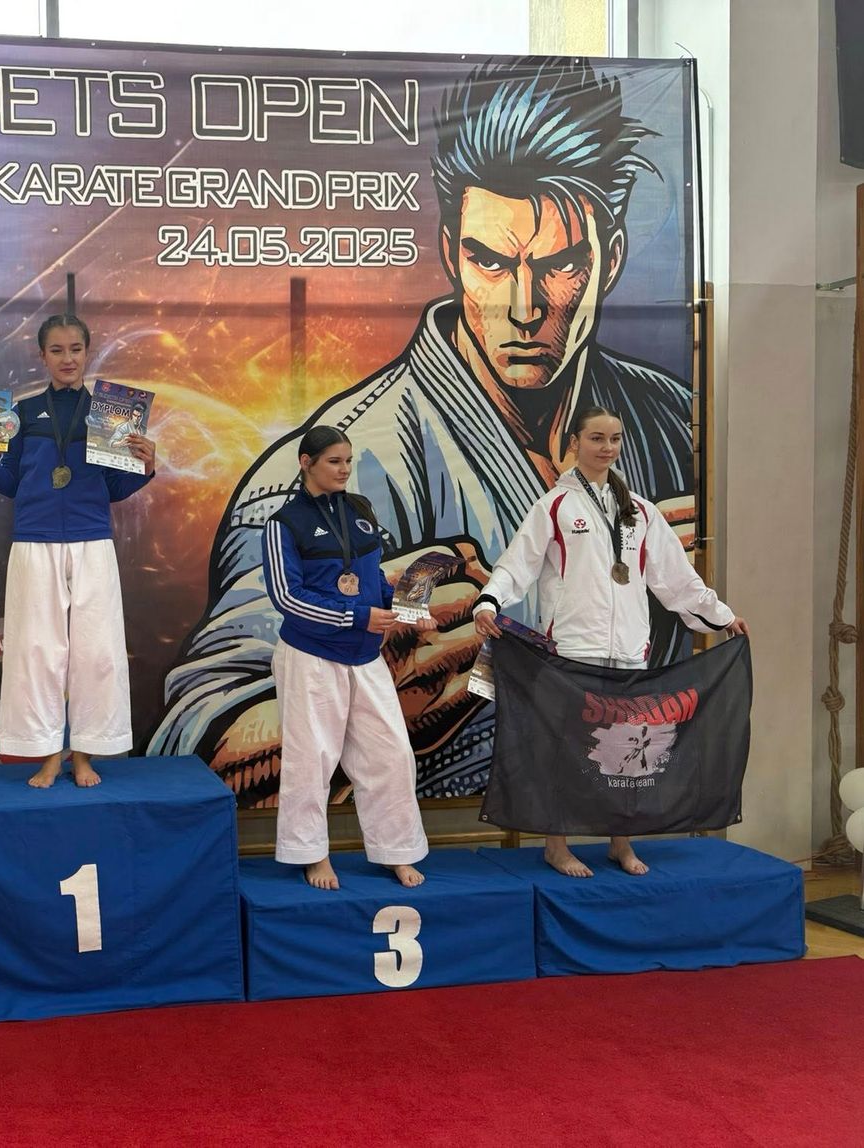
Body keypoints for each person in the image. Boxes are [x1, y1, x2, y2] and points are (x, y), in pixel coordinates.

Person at [151, 58, 696, 803]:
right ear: (450, 255)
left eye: (561, 266)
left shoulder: (671, 423)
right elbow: (204, 737)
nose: (524, 307)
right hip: (447, 833)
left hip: (623, 794)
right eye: (490, 262)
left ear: (611, 262)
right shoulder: (326, 474)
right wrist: (375, 683)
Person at [472, 407, 747, 877]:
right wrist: (489, 601)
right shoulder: (555, 507)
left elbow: (676, 580)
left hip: (629, 649)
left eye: (615, 439)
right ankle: (556, 846)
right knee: (563, 748)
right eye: (596, 438)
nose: (607, 447)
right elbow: (517, 564)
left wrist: (722, 617)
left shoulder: (640, 512)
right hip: (572, 649)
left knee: (627, 750)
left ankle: (621, 843)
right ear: (574, 443)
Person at [0, 313, 157, 787]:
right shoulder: (21, 413)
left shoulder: (110, 414)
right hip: (34, 542)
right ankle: (49, 754)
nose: (67, 358)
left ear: (87, 353)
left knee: (97, 652)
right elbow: (12, 484)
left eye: (75, 349)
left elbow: (114, 489)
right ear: (42, 356)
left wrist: (144, 466)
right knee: (36, 651)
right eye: (57, 350)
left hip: (92, 540)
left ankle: (85, 754)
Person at [265, 426, 431, 889]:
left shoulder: (360, 510)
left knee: (391, 754)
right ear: (306, 462)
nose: (343, 470)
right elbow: (286, 597)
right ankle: (312, 855)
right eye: (334, 461)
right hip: (311, 656)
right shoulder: (284, 523)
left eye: (348, 461)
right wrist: (357, 616)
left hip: (365, 655)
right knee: (312, 759)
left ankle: (396, 850)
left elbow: (372, 577)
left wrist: (408, 610)